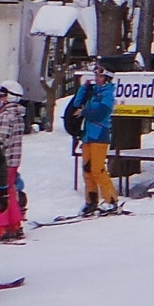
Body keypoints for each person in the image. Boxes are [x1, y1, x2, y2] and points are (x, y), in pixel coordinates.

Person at [65, 64, 117, 216]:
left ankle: (111, 199)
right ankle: (91, 200)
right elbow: (76, 104)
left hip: (99, 134)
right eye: (96, 76)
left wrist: (85, 112)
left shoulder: (108, 94)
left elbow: (101, 112)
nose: (97, 79)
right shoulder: (93, 92)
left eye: (100, 76)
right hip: (87, 134)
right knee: (87, 169)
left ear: (107, 78)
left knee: (97, 169)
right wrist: (83, 88)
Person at [0, 80, 27, 242]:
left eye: (2, 95)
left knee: (0, 192)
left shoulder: (6, 115)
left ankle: (0, 227)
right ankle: (14, 224)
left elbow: (1, 140)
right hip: (13, 160)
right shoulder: (17, 114)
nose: (0, 98)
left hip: (4, 161)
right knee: (9, 191)